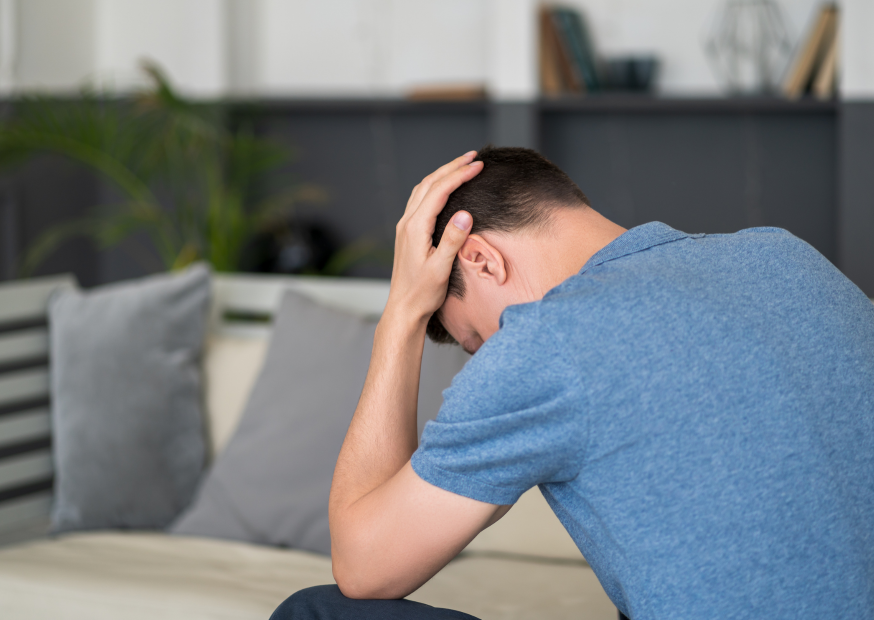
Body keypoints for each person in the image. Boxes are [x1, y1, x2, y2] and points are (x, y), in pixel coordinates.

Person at [271, 147, 874, 620]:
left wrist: (401, 315)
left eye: (477, 341)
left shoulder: (546, 342)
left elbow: (362, 566)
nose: (487, 358)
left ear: (480, 258)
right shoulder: (785, 257)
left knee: (318, 614)